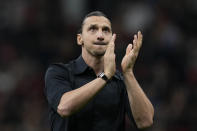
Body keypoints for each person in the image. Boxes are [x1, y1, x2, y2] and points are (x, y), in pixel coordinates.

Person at [44, 11, 154, 131]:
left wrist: (128, 72)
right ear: (80, 39)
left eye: (106, 30)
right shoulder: (59, 72)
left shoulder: (120, 81)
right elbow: (64, 107)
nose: (100, 35)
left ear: (113, 38)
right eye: (93, 29)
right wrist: (105, 76)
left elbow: (146, 122)